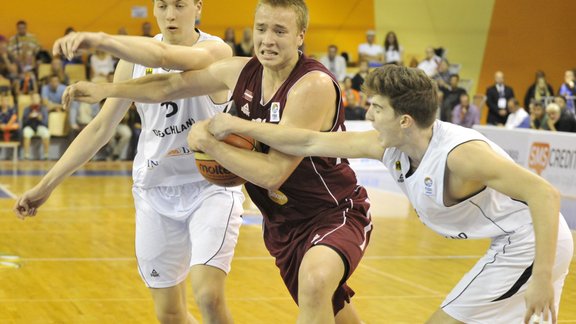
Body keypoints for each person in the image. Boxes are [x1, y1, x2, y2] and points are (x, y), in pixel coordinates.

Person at [54, 1, 373, 323]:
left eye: (280, 31)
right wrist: (106, 89)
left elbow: (274, 173)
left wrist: (210, 143)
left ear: (300, 36)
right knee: (333, 308)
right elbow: (170, 84)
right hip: (281, 220)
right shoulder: (241, 71)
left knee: (315, 284)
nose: (268, 40)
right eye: (261, 29)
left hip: (332, 210)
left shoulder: (311, 85)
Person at [203, 65, 573, 324]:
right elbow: (310, 139)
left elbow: (544, 194)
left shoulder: (460, 156)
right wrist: (239, 125)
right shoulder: (389, 144)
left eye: (377, 108)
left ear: (405, 120)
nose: (370, 114)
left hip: (529, 243)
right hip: (510, 242)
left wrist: (541, 276)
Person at [14, 1, 244, 323]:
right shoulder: (132, 63)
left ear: (198, 8)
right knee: (170, 314)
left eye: (180, 5)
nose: (171, 14)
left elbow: (165, 68)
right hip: (154, 190)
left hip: (210, 187)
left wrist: (98, 40)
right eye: (162, 5)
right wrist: (46, 185)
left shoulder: (217, 51)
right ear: (153, 9)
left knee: (208, 295)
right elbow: (99, 129)